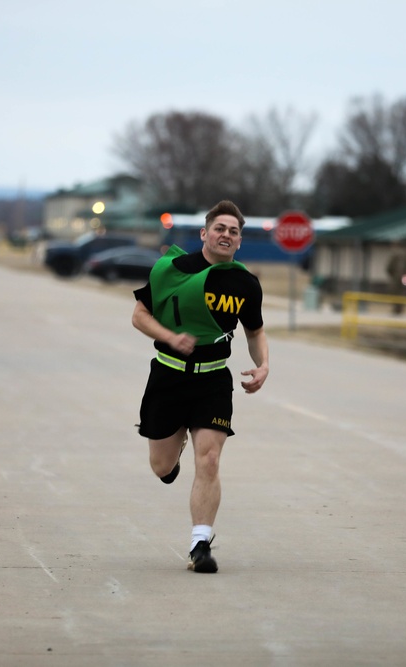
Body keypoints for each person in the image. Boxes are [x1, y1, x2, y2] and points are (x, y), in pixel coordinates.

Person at [131, 200, 269, 574]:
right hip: (168, 374)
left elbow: (254, 331)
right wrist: (169, 337)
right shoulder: (171, 270)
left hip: (212, 379)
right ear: (204, 233)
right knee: (160, 467)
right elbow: (139, 315)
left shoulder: (244, 283)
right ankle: (171, 457)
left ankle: (200, 544)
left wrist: (263, 365)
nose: (227, 235)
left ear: (240, 241)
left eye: (234, 231)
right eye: (220, 228)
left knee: (209, 458)